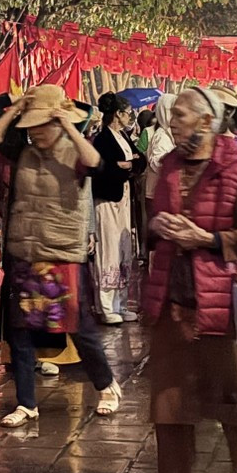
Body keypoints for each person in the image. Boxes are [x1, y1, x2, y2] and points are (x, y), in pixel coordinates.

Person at [138, 88, 237, 473]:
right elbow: (154, 222)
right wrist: (158, 224)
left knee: (229, 389)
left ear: (207, 121)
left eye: (180, 115)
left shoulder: (236, 169)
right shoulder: (170, 166)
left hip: (220, 298)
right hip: (173, 295)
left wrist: (208, 239)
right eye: (171, 116)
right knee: (170, 396)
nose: (171, 122)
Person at [0, 84, 119, 427]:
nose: (37, 132)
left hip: (62, 254)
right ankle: (27, 403)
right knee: (21, 332)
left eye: (44, 124)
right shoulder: (24, 153)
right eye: (33, 126)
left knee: (79, 328)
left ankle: (106, 385)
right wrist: (15, 111)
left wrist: (69, 125)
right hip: (25, 253)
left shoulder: (75, 153)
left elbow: (95, 162)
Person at [90, 93, 142, 324]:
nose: (130, 116)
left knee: (122, 249)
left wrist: (127, 165)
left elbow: (141, 161)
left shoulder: (123, 136)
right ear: (118, 114)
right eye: (127, 112)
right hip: (107, 200)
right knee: (108, 249)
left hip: (123, 200)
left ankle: (120, 303)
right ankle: (105, 305)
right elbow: (104, 169)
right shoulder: (102, 140)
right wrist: (123, 168)